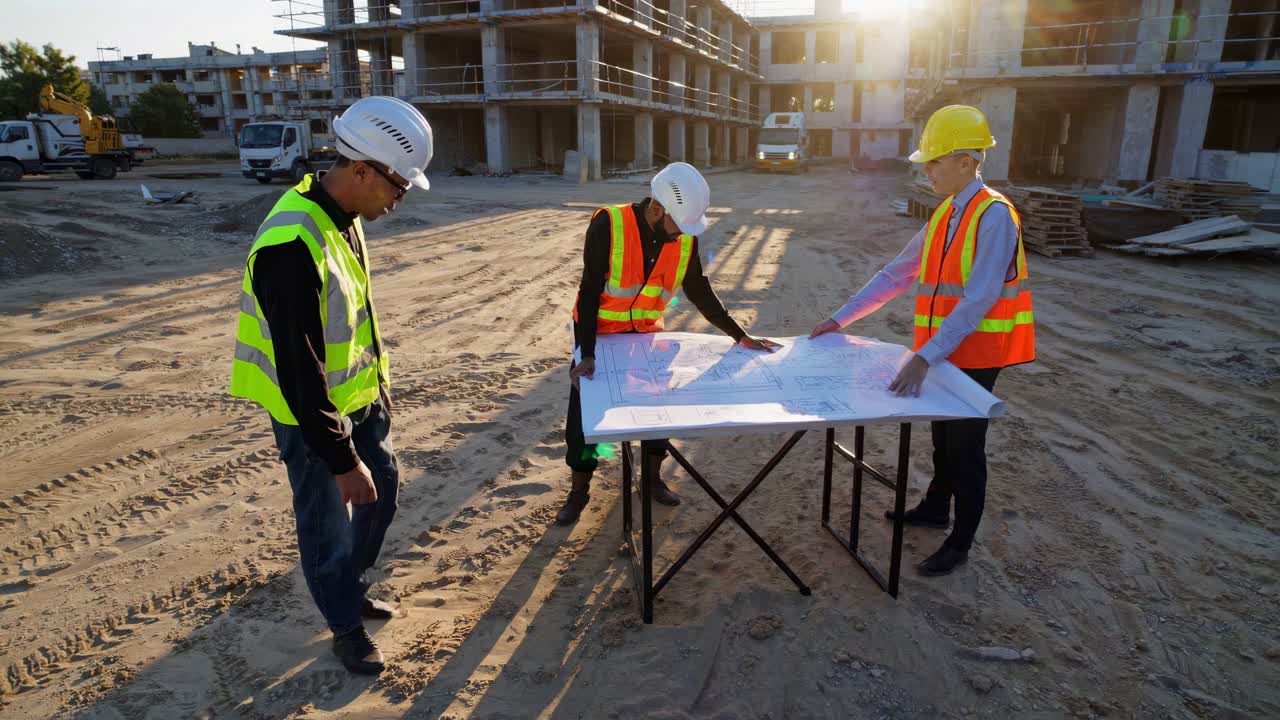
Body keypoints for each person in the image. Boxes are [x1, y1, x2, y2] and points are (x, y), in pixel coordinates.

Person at [229, 96, 433, 674]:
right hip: (310, 414)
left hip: (361, 399)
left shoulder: (344, 216)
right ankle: (344, 624)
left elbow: (352, 318)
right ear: (362, 169)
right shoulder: (290, 245)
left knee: (383, 491)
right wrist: (342, 459)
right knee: (326, 523)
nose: (399, 201)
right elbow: (300, 369)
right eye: (397, 186)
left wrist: (376, 395)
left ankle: (349, 583)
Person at [810, 105, 1035, 576]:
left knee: (965, 449)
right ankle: (936, 508)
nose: (925, 169)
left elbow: (979, 299)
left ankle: (960, 542)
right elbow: (897, 273)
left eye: (934, 161)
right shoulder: (947, 215)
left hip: (974, 356)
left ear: (967, 161)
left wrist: (925, 356)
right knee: (940, 440)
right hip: (943, 353)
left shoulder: (994, 216)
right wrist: (840, 318)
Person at [557, 162, 780, 525]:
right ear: (657, 209)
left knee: (658, 416)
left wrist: (739, 334)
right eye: (678, 226)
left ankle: (652, 480)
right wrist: (587, 353)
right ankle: (579, 491)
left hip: (647, 339)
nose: (682, 235)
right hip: (600, 341)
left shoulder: (684, 233)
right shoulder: (608, 226)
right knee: (584, 423)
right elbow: (589, 291)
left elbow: (697, 288)